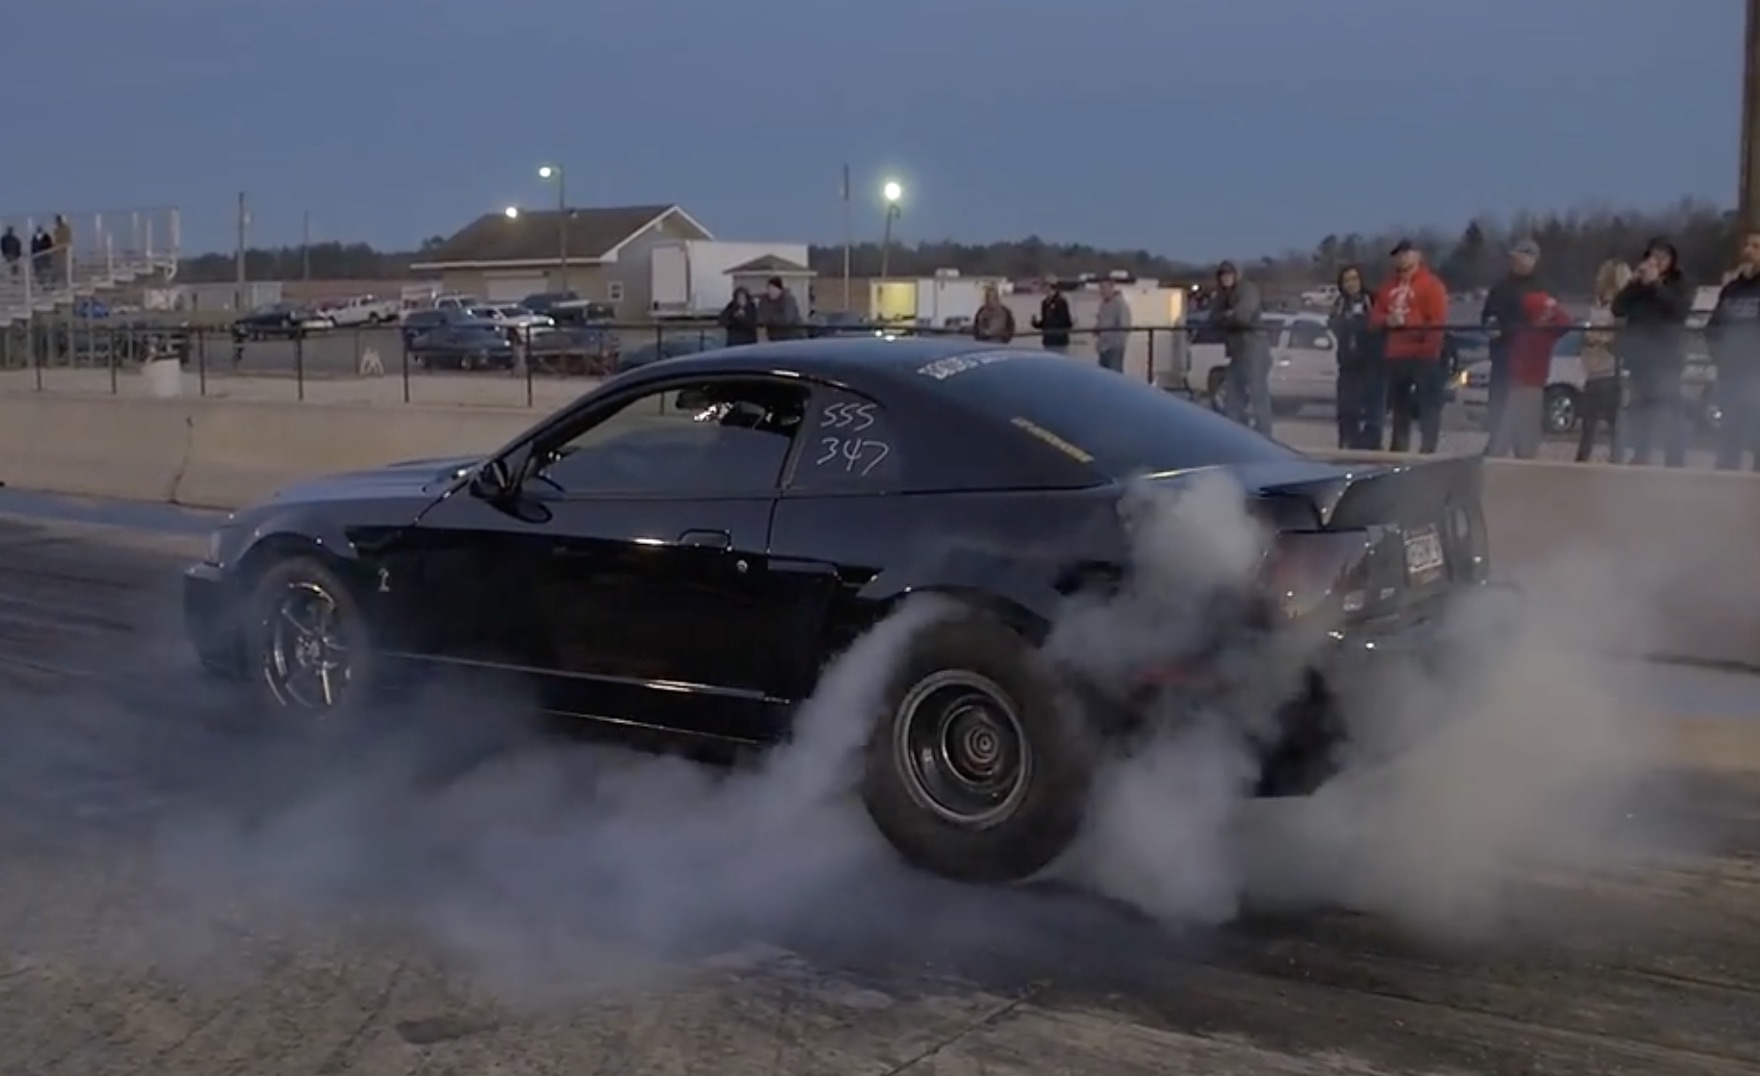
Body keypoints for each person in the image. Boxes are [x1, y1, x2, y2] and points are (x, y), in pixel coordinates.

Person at [1611, 237, 1692, 467]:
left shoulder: (1680, 283)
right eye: (1652, 256)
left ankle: (1674, 461)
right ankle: (1640, 456)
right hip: (1639, 359)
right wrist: (1632, 284)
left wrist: (1657, 284)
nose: (1656, 262)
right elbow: (1617, 308)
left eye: (1662, 257)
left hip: (1666, 358)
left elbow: (1679, 311)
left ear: (1671, 261)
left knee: (1668, 412)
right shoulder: (1639, 287)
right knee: (1639, 411)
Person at [1369, 239, 1451, 453]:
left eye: (1406, 254)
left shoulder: (1432, 285)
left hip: (1424, 355)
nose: (1401, 258)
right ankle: (1399, 449)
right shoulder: (1388, 286)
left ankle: (1428, 450)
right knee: (1399, 408)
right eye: (1398, 255)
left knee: (1427, 406)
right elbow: (1374, 316)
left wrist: (1413, 329)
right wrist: (1387, 321)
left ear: (1418, 257)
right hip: (1396, 355)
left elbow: (1437, 322)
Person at [1485, 288, 1573, 459]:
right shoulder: (1535, 333)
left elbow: (1566, 322)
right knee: (1521, 426)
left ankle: (1501, 456)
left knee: (1512, 425)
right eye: (1545, 311)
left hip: (1527, 383)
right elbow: (1565, 322)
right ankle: (1515, 457)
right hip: (1527, 384)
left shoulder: (1536, 331)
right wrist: (1551, 309)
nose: (1549, 315)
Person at [1479, 238, 1546, 444]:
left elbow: (1547, 320)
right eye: (1516, 258)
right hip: (1503, 357)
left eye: (1525, 258)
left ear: (1534, 260)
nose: (1519, 262)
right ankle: (1495, 449)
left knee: (1526, 413)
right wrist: (1490, 326)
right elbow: (1486, 316)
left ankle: (1524, 455)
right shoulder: (1500, 288)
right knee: (1498, 409)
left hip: (1529, 361)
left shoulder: (1541, 288)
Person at [1706, 229, 1760, 471]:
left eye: (1757, 247)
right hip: (1731, 374)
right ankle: (1724, 490)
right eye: (1748, 246)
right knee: (1730, 436)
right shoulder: (1732, 290)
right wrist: (1719, 356)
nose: (1750, 252)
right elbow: (1713, 328)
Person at [1208, 261, 1274, 434]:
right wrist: (1227, 316)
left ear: (1237, 274)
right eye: (1222, 274)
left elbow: (1243, 316)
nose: (1225, 277)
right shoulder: (1222, 295)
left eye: (1229, 274)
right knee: (1232, 396)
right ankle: (1236, 432)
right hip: (1237, 352)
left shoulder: (1248, 290)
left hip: (1255, 349)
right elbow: (1211, 318)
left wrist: (1226, 317)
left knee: (1258, 395)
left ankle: (1265, 435)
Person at [1575, 260, 1630, 463]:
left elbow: (1621, 336)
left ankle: (1616, 461)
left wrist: (1603, 339)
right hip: (1594, 370)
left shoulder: (1621, 307)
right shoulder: (1596, 305)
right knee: (1589, 426)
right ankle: (1583, 461)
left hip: (1612, 371)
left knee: (1615, 426)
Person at [1327, 264, 1382, 449]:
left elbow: (1379, 324)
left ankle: (1370, 449)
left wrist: (1361, 324)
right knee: (1346, 411)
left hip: (1371, 365)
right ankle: (1347, 446)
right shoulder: (1340, 303)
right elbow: (1333, 325)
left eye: (1355, 279)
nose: (1351, 284)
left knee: (1371, 412)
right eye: (1347, 280)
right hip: (1347, 365)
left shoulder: (1372, 299)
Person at [1094, 279, 1131, 373]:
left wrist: (1116, 342)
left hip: (1114, 348)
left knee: (1114, 374)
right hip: (1103, 347)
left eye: (1104, 288)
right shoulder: (1102, 305)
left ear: (1112, 287)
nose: (1101, 291)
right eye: (1100, 288)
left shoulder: (1120, 305)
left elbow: (1124, 326)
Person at [756, 276, 804, 341]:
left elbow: (786, 319)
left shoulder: (788, 300)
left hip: (792, 336)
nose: (771, 291)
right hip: (774, 337)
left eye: (773, 289)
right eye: (769, 289)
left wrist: (771, 318)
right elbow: (760, 319)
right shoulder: (764, 301)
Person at [1030, 281, 1072, 352]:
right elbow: (1044, 321)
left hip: (1059, 340)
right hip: (1048, 339)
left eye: (1047, 288)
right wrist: (1035, 323)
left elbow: (1065, 320)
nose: (1045, 291)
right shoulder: (1044, 303)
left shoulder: (1061, 301)